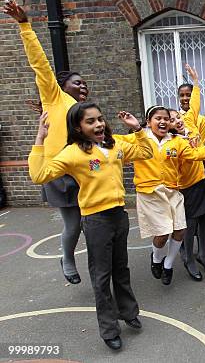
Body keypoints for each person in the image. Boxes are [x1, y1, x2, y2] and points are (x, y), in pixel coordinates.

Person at [28, 102, 153, 350]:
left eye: (100, 119)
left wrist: (138, 128)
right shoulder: (73, 153)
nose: (98, 125)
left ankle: (128, 312)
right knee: (101, 275)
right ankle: (109, 330)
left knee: (121, 269)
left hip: (119, 215)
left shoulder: (114, 144)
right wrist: (40, 138)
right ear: (78, 127)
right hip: (96, 220)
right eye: (90, 121)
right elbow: (38, 175)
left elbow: (146, 152)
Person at [3, 0, 88, 284]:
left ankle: (100, 263)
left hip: (87, 170)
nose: (83, 86)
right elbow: (39, 64)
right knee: (73, 225)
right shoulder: (54, 97)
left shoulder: (88, 113)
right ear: (62, 86)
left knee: (92, 222)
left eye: (84, 83)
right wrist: (25, 26)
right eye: (77, 82)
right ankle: (67, 257)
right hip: (61, 172)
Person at [116, 105, 205, 285]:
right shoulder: (137, 139)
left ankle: (168, 265)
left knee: (180, 230)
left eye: (166, 119)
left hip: (173, 191)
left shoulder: (177, 141)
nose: (163, 122)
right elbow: (109, 142)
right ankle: (157, 259)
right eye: (157, 118)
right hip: (150, 193)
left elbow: (197, 154)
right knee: (162, 233)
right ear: (149, 121)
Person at [171, 65, 205, 280]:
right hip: (186, 185)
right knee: (189, 222)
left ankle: (202, 254)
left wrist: (197, 82)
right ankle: (188, 258)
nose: (178, 120)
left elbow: (194, 107)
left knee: (203, 219)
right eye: (173, 120)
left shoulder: (191, 123)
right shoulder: (172, 140)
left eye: (188, 95)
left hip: (202, 178)